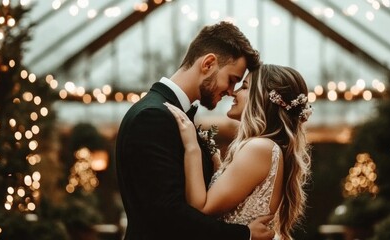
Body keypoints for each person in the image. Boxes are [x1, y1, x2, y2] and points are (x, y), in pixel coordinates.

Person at [115, 21, 275, 240]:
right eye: (232, 80)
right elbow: (168, 215)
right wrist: (243, 234)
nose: (230, 92)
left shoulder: (171, 115)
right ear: (208, 63)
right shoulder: (152, 117)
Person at [165, 64, 313, 240]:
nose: (234, 92)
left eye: (244, 86)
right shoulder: (266, 148)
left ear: (263, 98)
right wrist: (217, 166)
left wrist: (192, 147)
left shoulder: (259, 148)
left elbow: (201, 209)